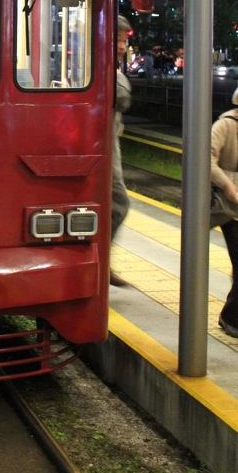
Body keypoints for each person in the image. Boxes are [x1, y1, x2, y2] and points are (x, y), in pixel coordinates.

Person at [211, 87, 238, 337]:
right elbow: (205, 159)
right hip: (230, 209)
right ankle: (230, 319)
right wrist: (228, 185)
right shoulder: (225, 125)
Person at [110, 15, 132, 287]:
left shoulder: (112, 68)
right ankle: (102, 261)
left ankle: (103, 260)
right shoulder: (109, 71)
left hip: (109, 139)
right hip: (104, 143)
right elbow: (122, 97)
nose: (123, 47)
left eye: (124, 41)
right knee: (118, 203)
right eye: (119, 40)